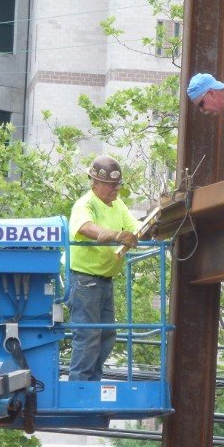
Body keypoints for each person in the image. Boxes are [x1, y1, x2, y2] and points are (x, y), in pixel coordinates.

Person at [67, 155, 140, 381]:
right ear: (95, 183)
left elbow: (134, 227)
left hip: (104, 281)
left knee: (106, 335)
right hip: (84, 281)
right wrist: (115, 235)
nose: (116, 188)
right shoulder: (85, 204)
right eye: (111, 184)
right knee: (88, 335)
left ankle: (92, 382)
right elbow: (85, 227)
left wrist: (153, 225)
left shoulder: (117, 204)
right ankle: (79, 386)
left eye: (118, 184)